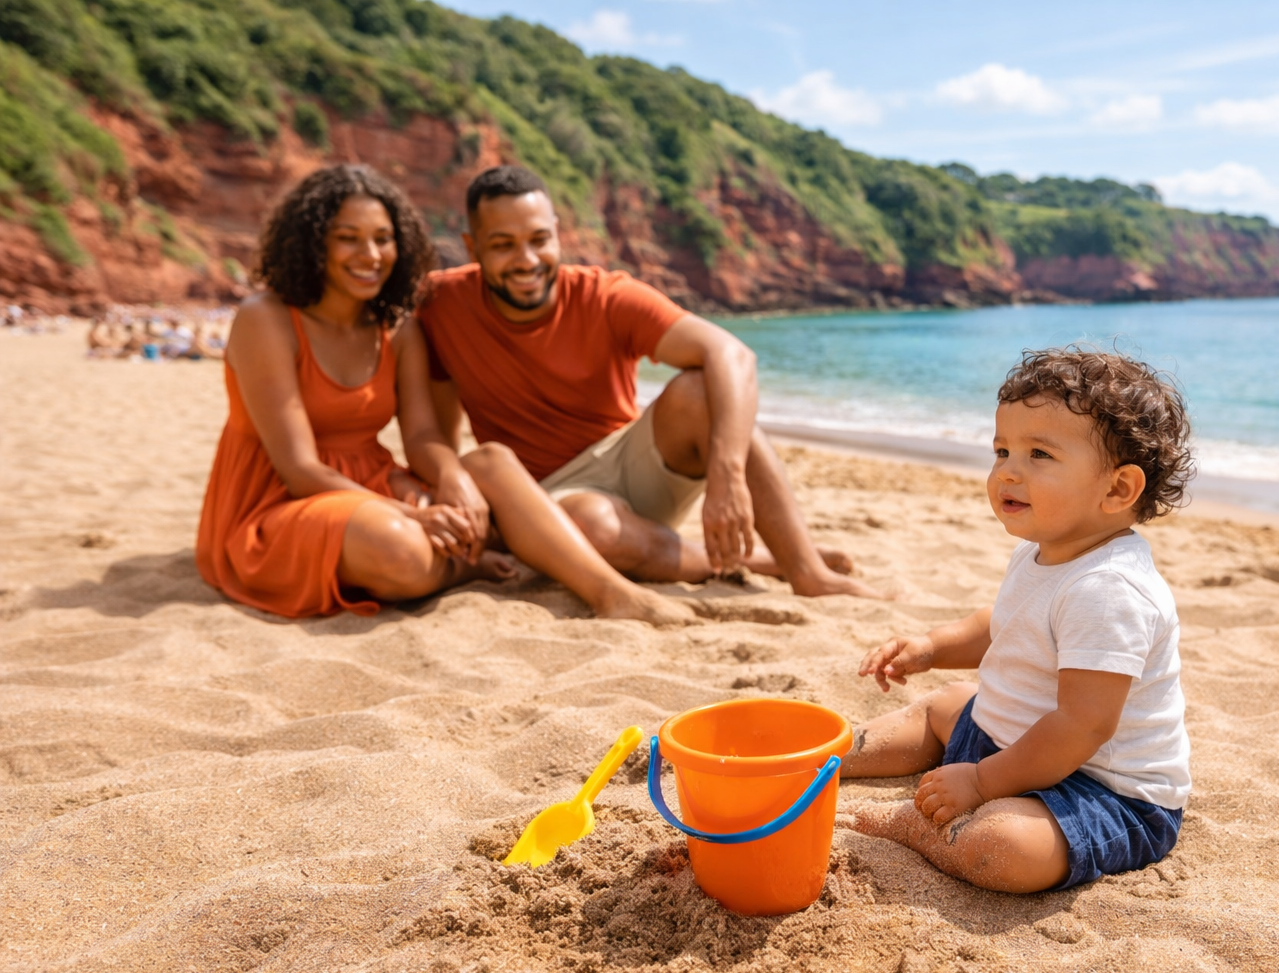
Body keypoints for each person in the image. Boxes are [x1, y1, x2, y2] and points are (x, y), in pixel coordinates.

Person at [196, 164, 692, 624]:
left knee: (491, 464)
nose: (370, 256)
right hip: (277, 501)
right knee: (399, 545)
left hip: (374, 479)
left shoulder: (398, 328)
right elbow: (298, 469)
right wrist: (415, 514)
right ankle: (471, 568)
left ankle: (612, 593)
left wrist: (450, 478)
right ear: (311, 244)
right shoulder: (267, 319)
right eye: (348, 239)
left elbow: (423, 434)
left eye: (382, 239)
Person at [415, 165, 882, 598]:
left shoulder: (605, 295)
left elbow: (732, 353)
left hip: (631, 463)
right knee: (593, 525)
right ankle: (754, 560)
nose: (527, 259)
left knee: (704, 389)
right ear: (472, 247)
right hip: (541, 493)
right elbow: (426, 421)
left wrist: (727, 477)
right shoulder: (441, 304)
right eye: (503, 245)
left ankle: (807, 572)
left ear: (559, 233)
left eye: (540, 239)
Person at [841, 348, 1194, 893]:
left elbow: (1083, 725)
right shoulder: (1042, 549)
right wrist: (932, 647)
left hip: (1101, 789)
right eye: (1002, 449)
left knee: (1005, 848)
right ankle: (834, 754)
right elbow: (1004, 624)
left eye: (1039, 455)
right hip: (1017, 745)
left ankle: (902, 824)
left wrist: (983, 781)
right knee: (945, 702)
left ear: (1118, 489)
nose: (1007, 470)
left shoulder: (1109, 589)